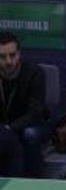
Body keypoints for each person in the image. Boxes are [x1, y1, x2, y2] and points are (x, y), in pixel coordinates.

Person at [0, 32, 50, 178]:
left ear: (19, 54)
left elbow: (35, 112)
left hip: (33, 122)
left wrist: (9, 129)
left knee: (30, 134)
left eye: (12, 55)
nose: (9, 61)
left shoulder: (35, 73)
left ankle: (34, 180)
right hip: (5, 125)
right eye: (2, 57)